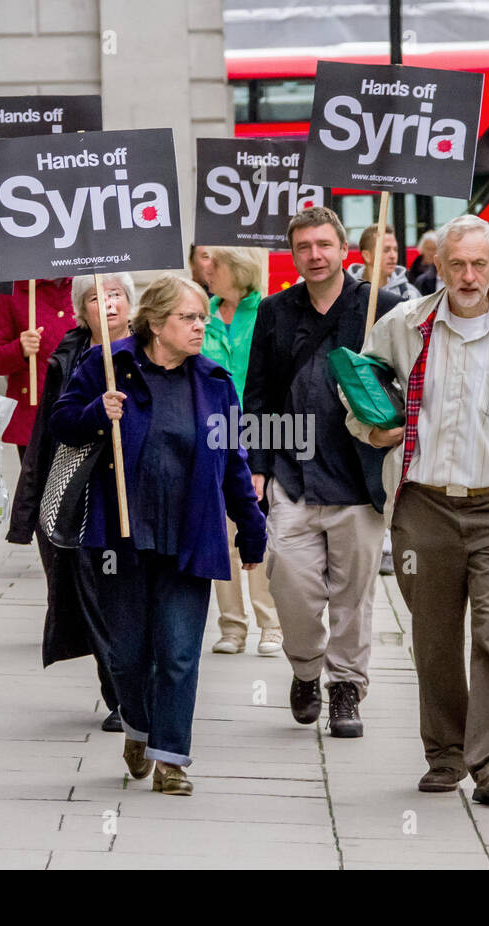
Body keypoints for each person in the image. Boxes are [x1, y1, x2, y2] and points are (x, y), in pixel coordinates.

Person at [347, 214, 489, 803]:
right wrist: (375, 434)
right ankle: (445, 753)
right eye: (457, 265)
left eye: (480, 264)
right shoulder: (403, 325)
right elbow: (358, 401)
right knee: (435, 635)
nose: (469, 276)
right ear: (437, 267)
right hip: (424, 507)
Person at [50, 274, 266, 797]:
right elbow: (60, 423)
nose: (201, 326)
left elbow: (234, 462)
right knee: (125, 655)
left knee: (178, 653)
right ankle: (138, 729)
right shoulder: (109, 365)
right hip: (119, 537)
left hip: (191, 535)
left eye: (202, 317)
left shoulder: (214, 381)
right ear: (156, 322)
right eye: (189, 318)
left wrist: (253, 530)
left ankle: (171, 757)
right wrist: (96, 412)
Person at [244, 206, 400, 739]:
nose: (315, 255)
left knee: (354, 596)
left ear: (343, 251)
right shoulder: (274, 311)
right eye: (304, 247)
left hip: (359, 478)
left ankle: (346, 689)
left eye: (324, 245)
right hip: (292, 475)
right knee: (289, 581)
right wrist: (258, 467)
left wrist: (395, 432)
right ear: (294, 254)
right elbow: (259, 394)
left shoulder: (383, 307)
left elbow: (410, 386)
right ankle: (307, 669)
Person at [8, 273, 135, 733]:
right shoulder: (69, 358)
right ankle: (120, 696)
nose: (109, 303)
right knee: (95, 599)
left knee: (131, 599)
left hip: (137, 496)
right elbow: (48, 433)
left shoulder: (152, 352)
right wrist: (27, 513)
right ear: (82, 312)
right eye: (97, 298)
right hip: (82, 500)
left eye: (117, 294)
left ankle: (141, 687)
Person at [201, 246, 284, 657]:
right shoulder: (202, 312)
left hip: (258, 433)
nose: (206, 270)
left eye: (213, 264)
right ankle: (232, 625)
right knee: (221, 530)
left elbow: (272, 383)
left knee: (258, 526)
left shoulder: (267, 312)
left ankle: (271, 623)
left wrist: (263, 456)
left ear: (236, 270)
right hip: (211, 435)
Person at [0, 277, 74, 458]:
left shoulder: (86, 281)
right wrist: (19, 349)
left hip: (83, 409)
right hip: (35, 419)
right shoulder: (9, 291)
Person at [350, 224, 421, 300]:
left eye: (395, 249)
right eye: (386, 250)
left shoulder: (409, 294)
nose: (393, 256)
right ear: (367, 256)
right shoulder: (348, 293)